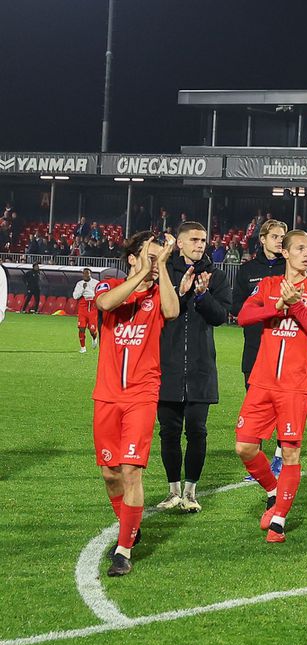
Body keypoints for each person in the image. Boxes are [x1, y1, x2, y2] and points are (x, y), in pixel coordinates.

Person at [233, 230, 307, 543]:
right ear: (285, 253)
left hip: (294, 385)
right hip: (262, 381)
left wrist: (297, 307)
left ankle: (278, 520)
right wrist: (279, 305)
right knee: (245, 446)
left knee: (290, 452)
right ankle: (274, 491)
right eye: (300, 248)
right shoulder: (268, 285)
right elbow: (244, 316)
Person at [93, 231, 181, 576]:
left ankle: (124, 551)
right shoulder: (109, 285)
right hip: (107, 395)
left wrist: (161, 270)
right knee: (109, 473)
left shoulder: (160, 295)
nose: (156, 263)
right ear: (132, 258)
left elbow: (173, 311)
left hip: (142, 395)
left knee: (131, 470)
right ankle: (129, 524)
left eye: (161, 258)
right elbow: (105, 305)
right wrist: (144, 274)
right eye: (149, 255)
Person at [156, 222, 231, 513]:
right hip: (167, 366)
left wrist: (201, 296)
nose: (201, 245)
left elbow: (220, 316)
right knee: (169, 431)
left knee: (197, 431)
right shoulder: (165, 272)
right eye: (195, 240)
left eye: (203, 240)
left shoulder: (216, 275)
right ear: (180, 244)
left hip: (201, 367)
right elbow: (163, 311)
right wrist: (182, 291)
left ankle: (190, 492)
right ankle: (172, 490)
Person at [232, 219, 288, 477]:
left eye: (283, 236)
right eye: (275, 236)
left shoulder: (290, 268)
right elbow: (236, 308)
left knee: (283, 404)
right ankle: (260, 458)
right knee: (255, 403)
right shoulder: (246, 271)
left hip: (283, 347)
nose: (280, 240)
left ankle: (279, 458)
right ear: (263, 239)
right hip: (254, 346)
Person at [73, 268, 99, 352]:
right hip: (83, 306)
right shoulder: (80, 284)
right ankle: (83, 347)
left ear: (90, 274)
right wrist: (82, 289)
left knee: (92, 329)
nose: (85, 275)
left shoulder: (96, 283)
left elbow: (99, 294)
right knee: (81, 328)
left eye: (87, 273)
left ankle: (94, 337)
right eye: (83, 274)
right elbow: (75, 296)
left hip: (93, 307)